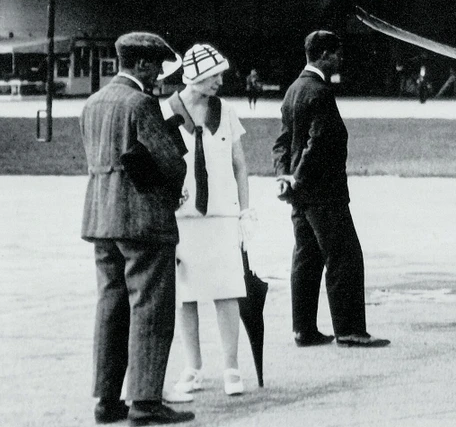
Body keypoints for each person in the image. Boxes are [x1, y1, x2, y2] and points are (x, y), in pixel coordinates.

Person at [80, 32, 194, 425]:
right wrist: (175, 187)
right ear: (142, 65)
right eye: (157, 67)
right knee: (149, 307)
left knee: (111, 307)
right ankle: (145, 402)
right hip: (143, 218)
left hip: (100, 216)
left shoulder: (92, 103)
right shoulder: (142, 103)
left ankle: (107, 400)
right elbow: (170, 161)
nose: (159, 75)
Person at [274, 30, 389, 348]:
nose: (341, 58)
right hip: (323, 192)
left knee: (306, 258)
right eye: (337, 53)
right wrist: (298, 176)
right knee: (345, 257)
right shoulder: (320, 92)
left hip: (301, 196)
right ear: (323, 55)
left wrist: (284, 176)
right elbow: (319, 140)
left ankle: (304, 330)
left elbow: (283, 141)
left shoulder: (294, 89)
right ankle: (350, 330)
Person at [161, 44, 254, 399]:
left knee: (227, 291)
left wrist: (245, 211)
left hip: (221, 216)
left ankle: (231, 366)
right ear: (195, 77)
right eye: (214, 75)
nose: (219, 81)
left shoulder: (225, 110)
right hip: (182, 219)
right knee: (186, 295)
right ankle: (193, 367)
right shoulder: (166, 111)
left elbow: (239, 164)